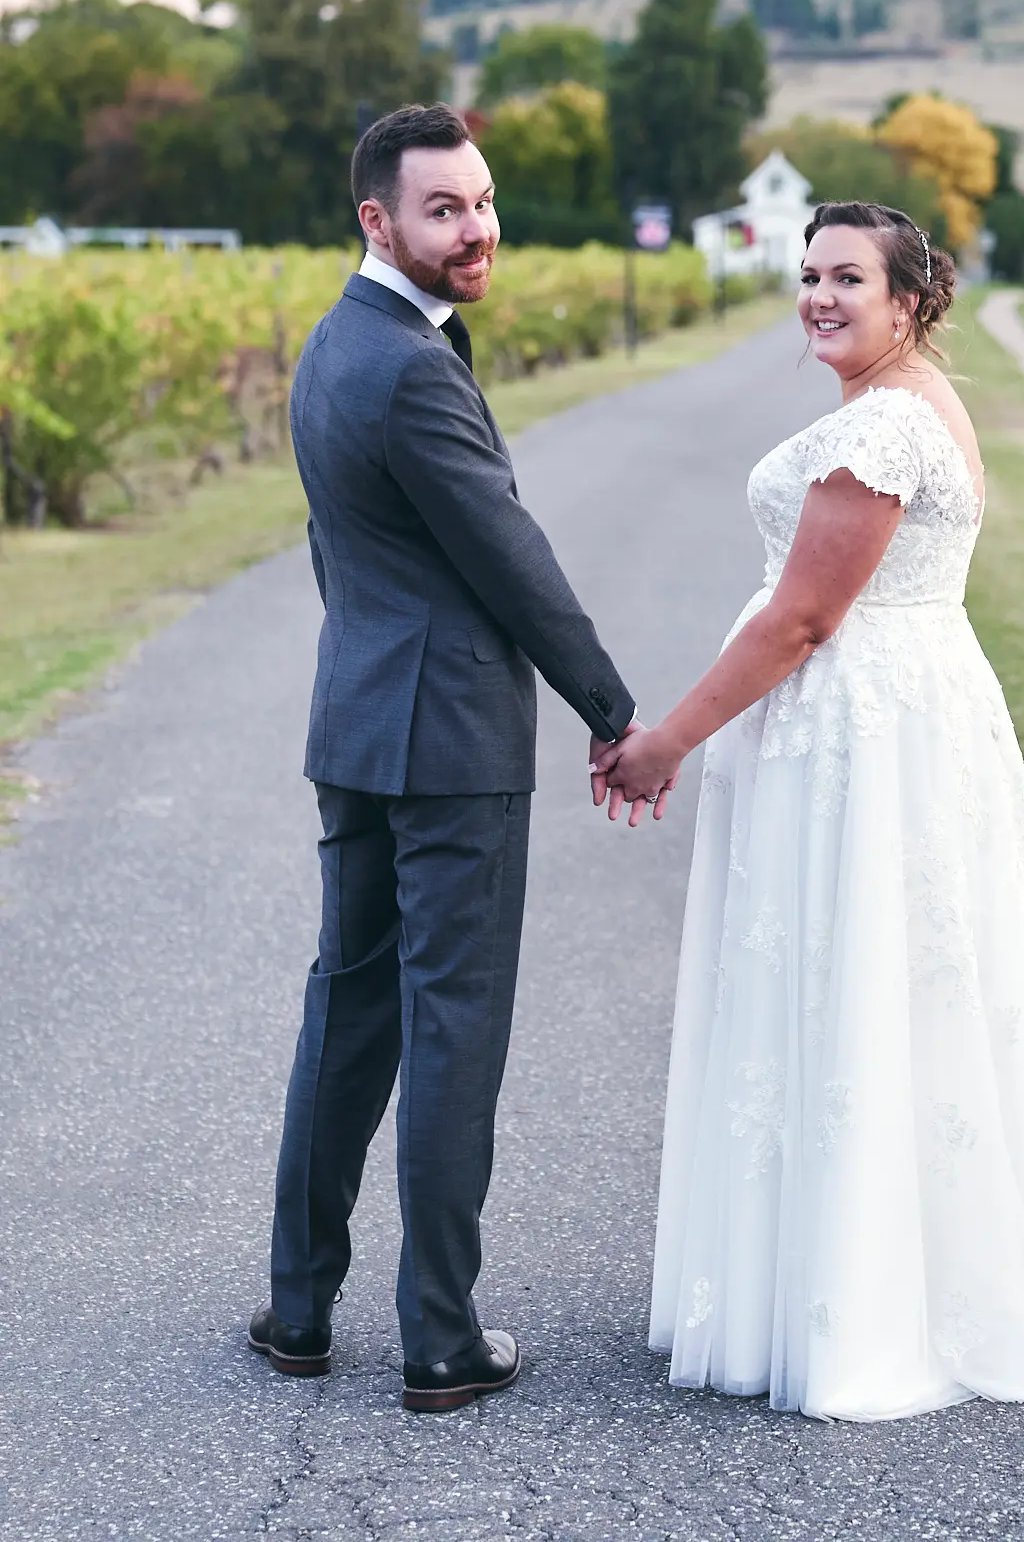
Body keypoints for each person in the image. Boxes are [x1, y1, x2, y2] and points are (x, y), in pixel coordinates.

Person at [595, 201, 1024, 1421]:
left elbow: (804, 619)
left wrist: (664, 743)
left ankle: (860, 1303)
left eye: (846, 277)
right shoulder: (895, 403)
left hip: (861, 725)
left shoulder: (890, 426)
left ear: (908, 299)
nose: (817, 294)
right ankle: (839, 1275)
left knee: (857, 975)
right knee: (879, 982)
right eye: (808, 273)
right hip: (889, 714)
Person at [248, 103, 645, 1412]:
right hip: (452, 744)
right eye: (444, 209)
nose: (475, 228)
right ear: (378, 220)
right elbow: (507, 557)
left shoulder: (333, 343)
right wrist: (610, 706)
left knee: (346, 1014)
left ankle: (297, 1312)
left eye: (480, 203)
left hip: (357, 723)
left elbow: (336, 551)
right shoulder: (411, 365)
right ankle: (438, 1338)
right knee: (451, 1029)